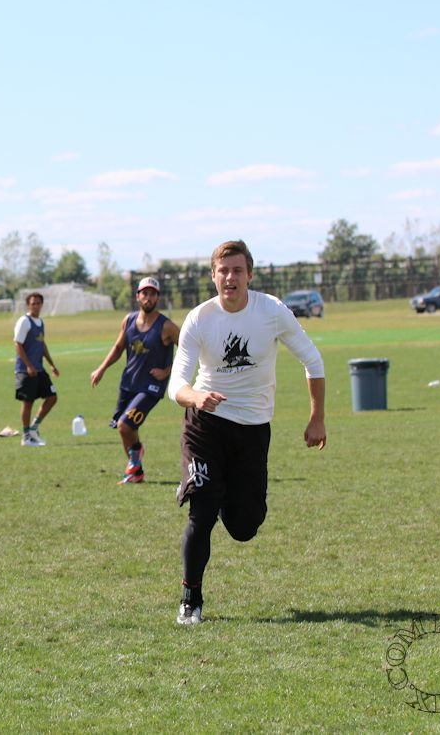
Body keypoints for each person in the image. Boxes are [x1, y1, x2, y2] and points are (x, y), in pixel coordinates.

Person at [167, 240, 326, 626]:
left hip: (252, 430)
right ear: (213, 276)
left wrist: (317, 418)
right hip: (205, 424)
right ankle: (190, 599)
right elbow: (176, 384)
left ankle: (220, 491)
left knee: (244, 527)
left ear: (249, 275)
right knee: (201, 513)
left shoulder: (271, 311)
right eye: (223, 271)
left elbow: (313, 359)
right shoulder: (199, 318)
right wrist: (197, 397)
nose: (230, 277)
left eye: (237, 270)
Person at [90, 277, 180, 484]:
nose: (148, 298)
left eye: (153, 294)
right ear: (137, 296)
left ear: (158, 298)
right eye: (144, 293)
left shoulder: (166, 326)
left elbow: (189, 349)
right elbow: (118, 348)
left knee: (125, 425)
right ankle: (136, 472)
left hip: (151, 387)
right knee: (125, 429)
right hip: (129, 383)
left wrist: (167, 371)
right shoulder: (128, 320)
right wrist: (101, 369)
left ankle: (135, 462)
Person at [13, 292, 60, 447]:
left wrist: (52, 364)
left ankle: (34, 428)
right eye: (33, 303)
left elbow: (42, 344)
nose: (36, 306)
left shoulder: (40, 322)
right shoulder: (24, 321)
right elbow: (17, 344)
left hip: (39, 369)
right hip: (25, 370)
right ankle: (26, 437)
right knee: (28, 402)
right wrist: (28, 365)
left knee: (52, 397)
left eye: (38, 303)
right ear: (28, 305)